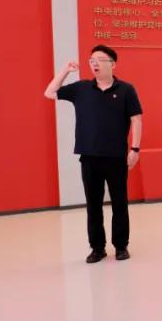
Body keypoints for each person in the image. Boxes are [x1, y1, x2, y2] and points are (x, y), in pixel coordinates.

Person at [45, 45, 143, 263]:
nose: (94, 64)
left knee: (119, 203)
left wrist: (135, 149)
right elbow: (49, 92)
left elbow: (136, 119)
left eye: (99, 59)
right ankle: (97, 248)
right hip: (89, 157)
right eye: (91, 60)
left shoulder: (126, 90)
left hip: (116, 157)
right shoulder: (81, 88)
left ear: (112, 64)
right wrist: (65, 71)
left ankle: (121, 246)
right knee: (93, 205)